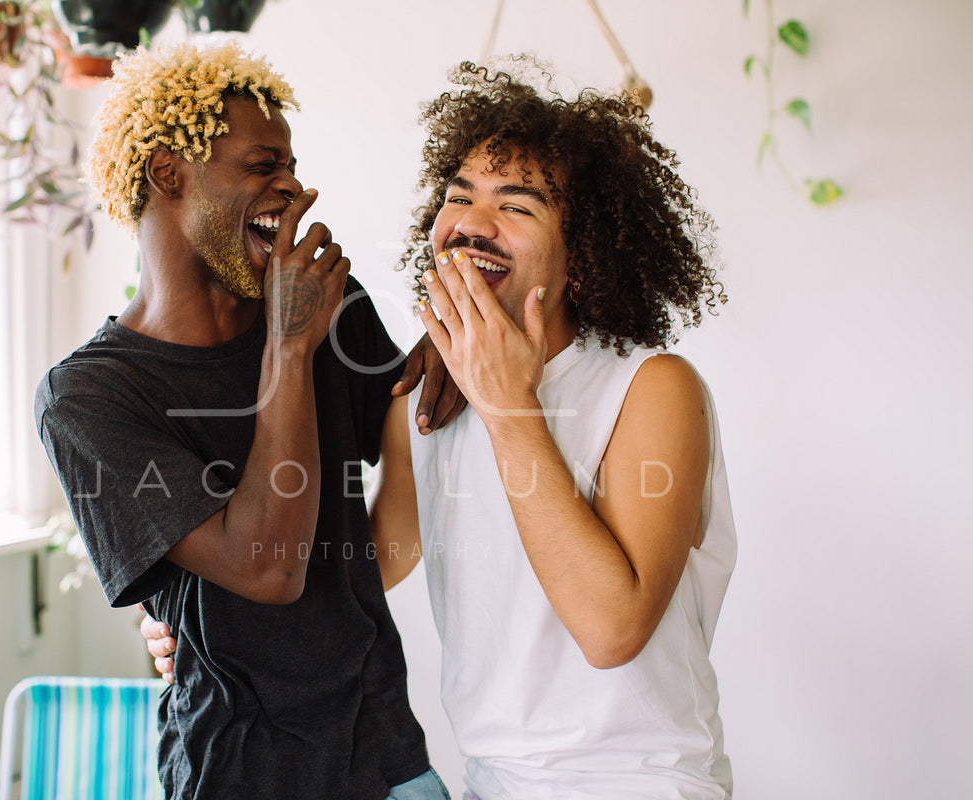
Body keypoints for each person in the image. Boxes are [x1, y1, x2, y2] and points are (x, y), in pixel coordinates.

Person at [144, 58, 737, 800]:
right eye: (460, 197)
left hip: (642, 782)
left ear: (581, 251)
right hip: (488, 780)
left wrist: (506, 403)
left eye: (516, 207)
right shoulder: (426, 399)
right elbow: (367, 564)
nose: (471, 224)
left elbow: (611, 629)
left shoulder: (652, 387)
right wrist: (201, 628)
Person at [36, 41, 455, 800]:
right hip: (239, 774)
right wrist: (288, 348)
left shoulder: (329, 304)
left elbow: (420, 439)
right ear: (169, 174)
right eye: (264, 166)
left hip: (391, 762)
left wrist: (449, 347)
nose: (294, 189)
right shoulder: (90, 396)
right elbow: (268, 567)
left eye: (292, 166)